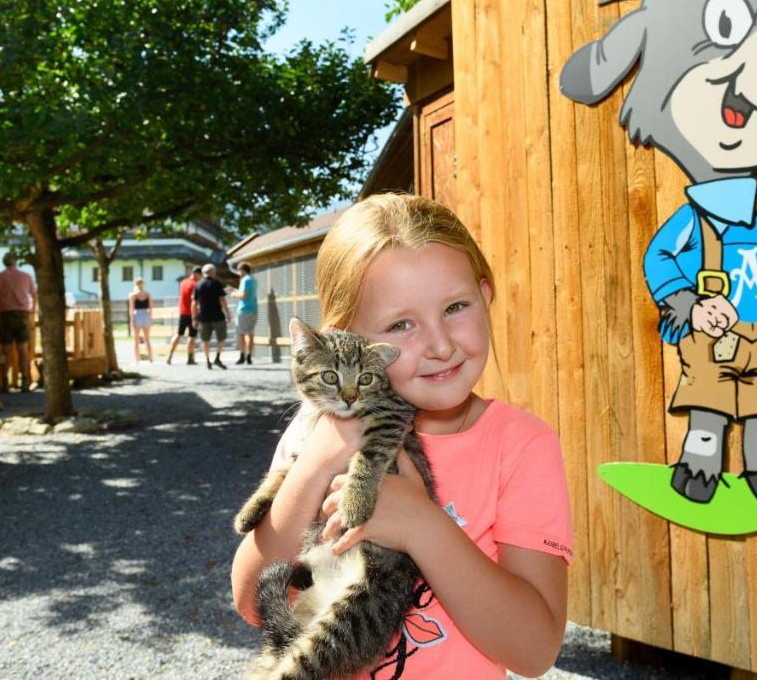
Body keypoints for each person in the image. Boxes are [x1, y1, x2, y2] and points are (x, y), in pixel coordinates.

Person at [230, 194, 573, 678]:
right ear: (343, 341)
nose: (440, 345)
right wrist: (315, 464)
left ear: (486, 295)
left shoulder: (521, 445)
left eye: (455, 307)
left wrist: (420, 523)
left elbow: (534, 652)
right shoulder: (317, 430)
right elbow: (252, 599)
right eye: (401, 324)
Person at [0, 252, 37, 393]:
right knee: (22, 349)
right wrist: (32, 310)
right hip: (22, 315)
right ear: (16, 262)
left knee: (5, 349)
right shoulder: (26, 276)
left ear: (4, 262)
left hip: (6, 315)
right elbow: (34, 295)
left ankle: (4, 382)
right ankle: (25, 380)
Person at [193, 263, 230, 370]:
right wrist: (228, 312)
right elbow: (222, 300)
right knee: (221, 338)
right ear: (213, 272)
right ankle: (217, 358)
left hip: (204, 317)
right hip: (218, 316)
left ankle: (207, 360)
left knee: (205, 340)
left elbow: (194, 304)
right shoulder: (217, 283)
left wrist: (194, 318)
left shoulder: (198, 285)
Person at [166, 266, 202, 365]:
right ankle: (190, 358)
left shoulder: (183, 282)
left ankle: (169, 355)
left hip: (182, 312)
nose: (200, 278)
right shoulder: (196, 284)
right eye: (200, 275)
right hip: (192, 312)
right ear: (197, 274)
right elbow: (195, 301)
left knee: (178, 334)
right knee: (192, 335)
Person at [228, 261, 257, 364]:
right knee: (250, 333)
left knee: (240, 334)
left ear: (242, 270)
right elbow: (248, 293)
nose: (238, 273)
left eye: (239, 270)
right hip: (253, 309)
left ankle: (242, 356)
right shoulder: (253, 279)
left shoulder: (245, 279)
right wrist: (236, 289)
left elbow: (243, 295)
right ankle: (249, 356)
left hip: (244, 310)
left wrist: (233, 294)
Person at [126, 277, 154, 363]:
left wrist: (131, 320)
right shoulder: (147, 294)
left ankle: (137, 359)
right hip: (146, 314)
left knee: (136, 339)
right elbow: (150, 307)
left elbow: (131, 308)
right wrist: (150, 318)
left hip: (137, 314)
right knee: (147, 338)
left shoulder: (133, 295)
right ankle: (150, 358)